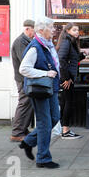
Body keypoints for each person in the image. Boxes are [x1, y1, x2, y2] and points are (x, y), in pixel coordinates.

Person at [19, 17, 61, 169]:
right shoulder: (35, 47)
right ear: (41, 31)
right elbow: (23, 69)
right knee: (45, 123)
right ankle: (43, 158)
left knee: (55, 117)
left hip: (51, 89)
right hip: (40, 90)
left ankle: (29, 142)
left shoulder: (47, 45)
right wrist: (44, 74)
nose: (54, 30)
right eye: (51, 27)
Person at [56, 23, 86, 139]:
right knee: (68, 103)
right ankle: (65, 130)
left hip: (68, 77)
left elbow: (71, 58)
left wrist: (82, 56)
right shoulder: (67, 42)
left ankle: (64, 129)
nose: (77, 32)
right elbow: (61, 60)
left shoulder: (71, 42)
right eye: (74, 30)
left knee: (66, 102)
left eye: (78, 30)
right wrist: (66, 78)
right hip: (67, 79)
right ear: (67, 31)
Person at [10, 20, 35, 142]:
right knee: (24, 103)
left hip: (25, 78)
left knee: (28, 104)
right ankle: (17, 132)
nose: (34, 33)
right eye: (33, 31)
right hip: (22, 79)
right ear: (27, 29)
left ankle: (23, 129)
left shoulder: (26, 41)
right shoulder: (20, 42)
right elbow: (25, 61)